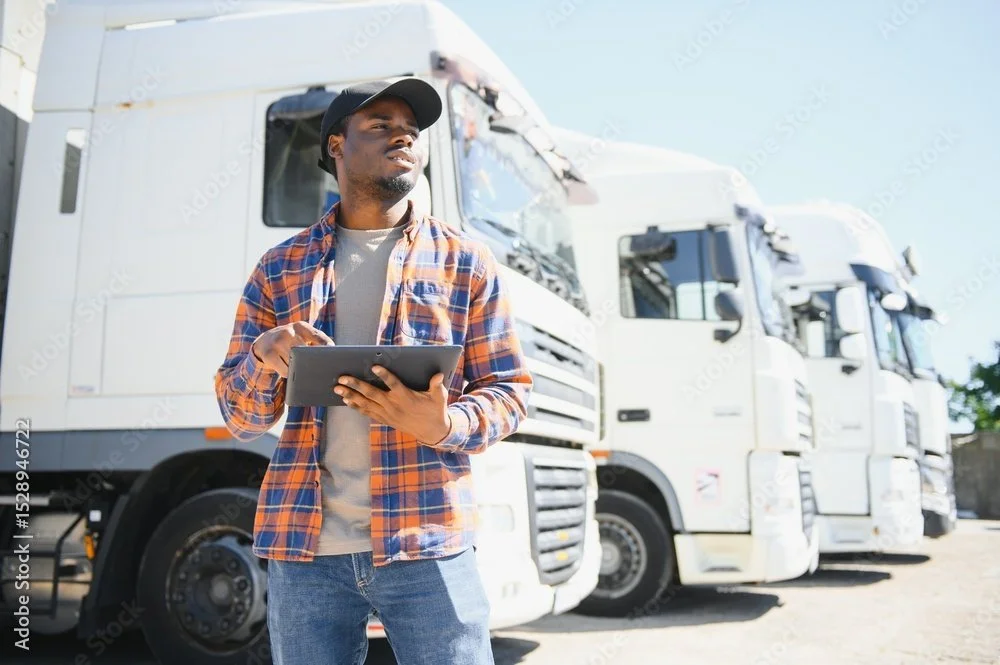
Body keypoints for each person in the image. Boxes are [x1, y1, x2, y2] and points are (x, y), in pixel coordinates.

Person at [213, 78, 532, 665]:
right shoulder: (279, 268)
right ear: (336, 144)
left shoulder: (465, 262)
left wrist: (444, 424)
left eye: (410, 127)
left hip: (428, 539)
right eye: (380, 124)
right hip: (306, 548)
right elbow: (240, 417)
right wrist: (264, 356)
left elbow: (510, 393)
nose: (403, 134)